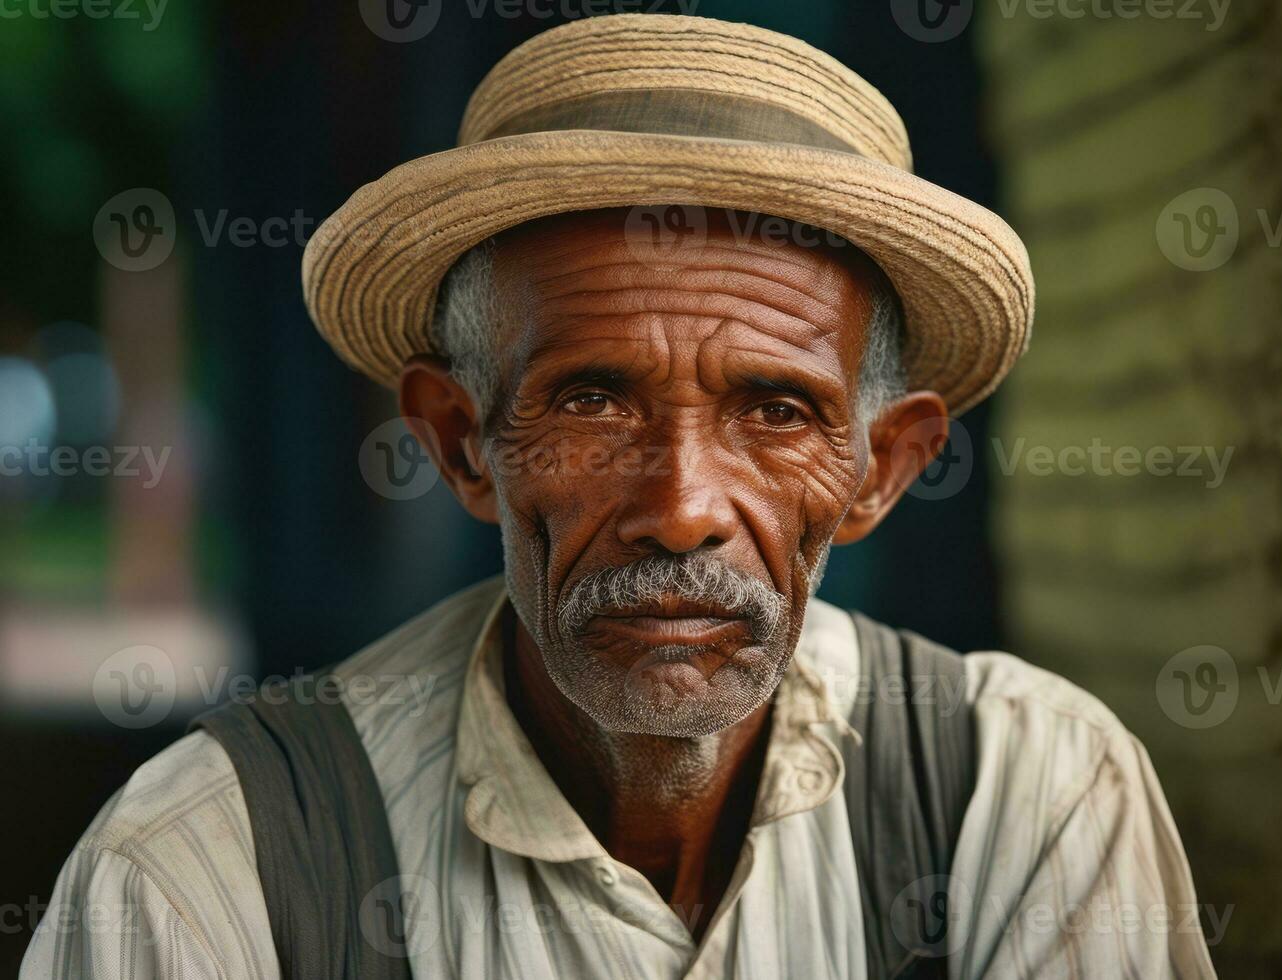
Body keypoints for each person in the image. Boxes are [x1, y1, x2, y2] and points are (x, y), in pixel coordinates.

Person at [24, 14, 1216, 979]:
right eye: (592, 400)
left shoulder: (1030, 796)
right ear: (459, 441)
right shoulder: (211, 865)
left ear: (880, 468)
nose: (681, 504)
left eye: (775, 410)